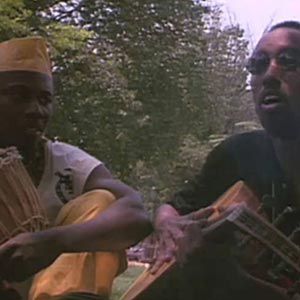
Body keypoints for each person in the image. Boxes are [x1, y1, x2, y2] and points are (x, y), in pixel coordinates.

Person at [151, 20, 300, 300]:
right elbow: (173, 207)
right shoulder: (237, 153)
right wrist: (167, 226)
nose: (269, 74)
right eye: (257, 64)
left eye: (289, 60)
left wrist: (233, 283)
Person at [0, 37, 151, 300]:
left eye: (45, 99)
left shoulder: (68, 163)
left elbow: (136, 214)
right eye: (19, 96)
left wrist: (53, 242)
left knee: (102, 200)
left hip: (62, 293)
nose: (37, 110)